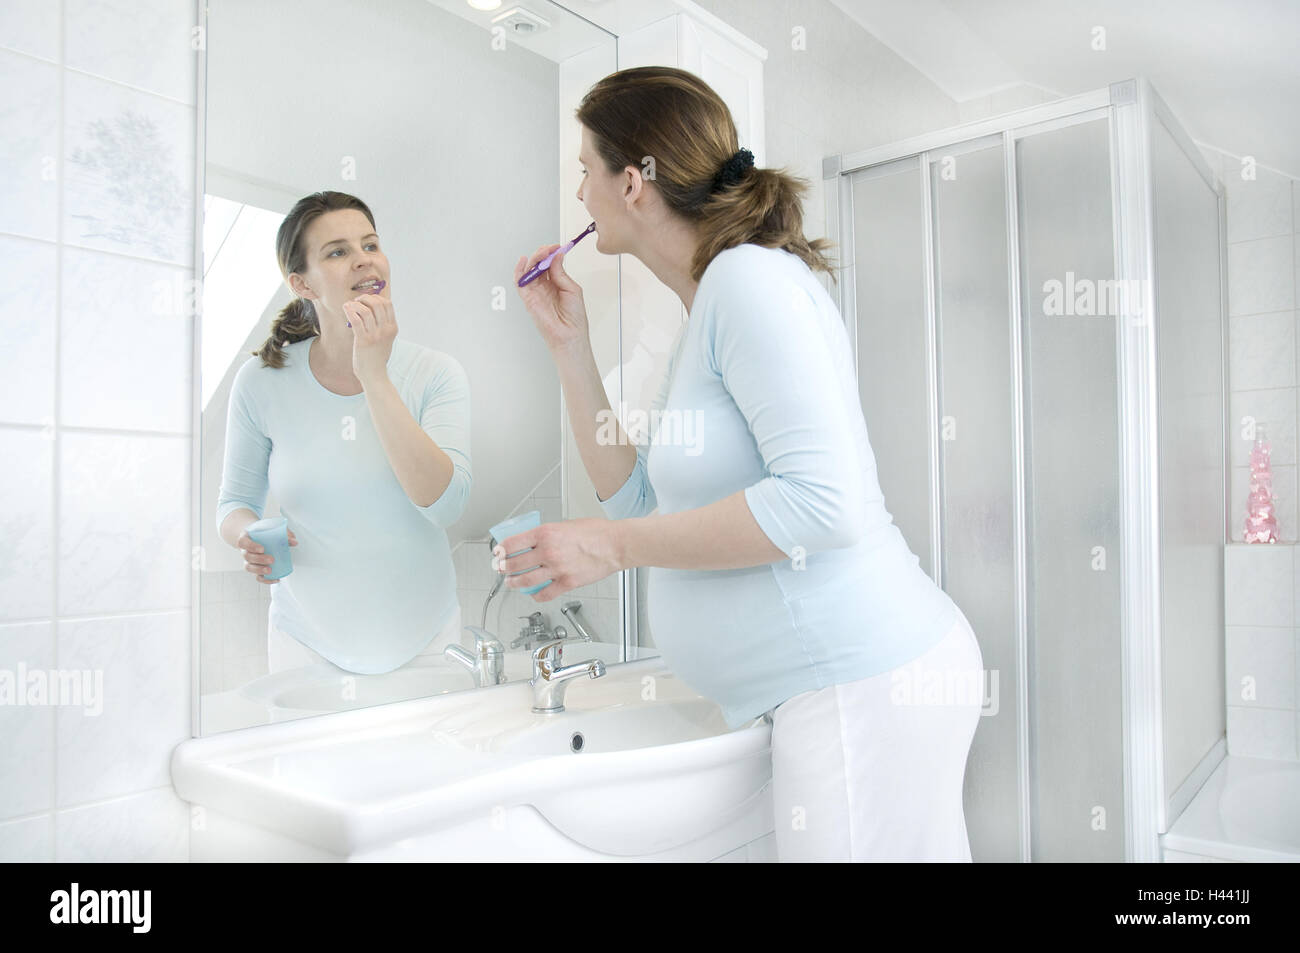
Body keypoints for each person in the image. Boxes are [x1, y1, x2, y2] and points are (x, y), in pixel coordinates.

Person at [503, 67, 985, 861]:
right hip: (830, 690)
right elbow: (641, 507)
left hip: (860, 682)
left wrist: (608, 549)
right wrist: (569, 345)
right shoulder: (706, 308)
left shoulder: (748, 282)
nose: (578, 192)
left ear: (632, 183)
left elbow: (824, 506)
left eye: (585, 170)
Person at [216, 191, 471, 676]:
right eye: (337, 252)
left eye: (370, 245)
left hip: (426, 641)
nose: (363, 261)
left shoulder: (437, 374)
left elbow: (445, 505)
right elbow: (232, 504)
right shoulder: (261, 381)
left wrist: (374, 375)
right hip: (305, 643)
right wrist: (247, 534)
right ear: (302, 284)